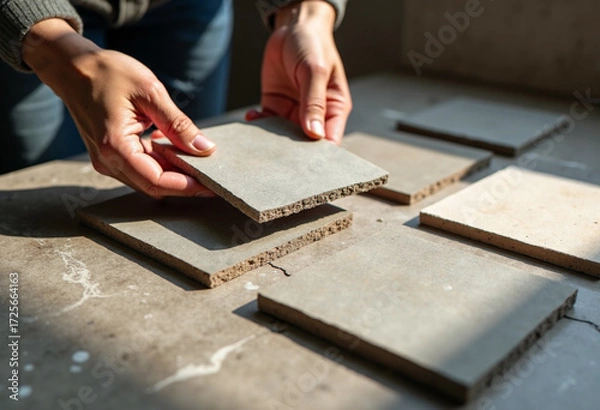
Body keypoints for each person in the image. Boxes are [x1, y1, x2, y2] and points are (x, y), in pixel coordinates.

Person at [0, 0, 351, 198]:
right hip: (34, 14)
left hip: (191, 9)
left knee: (188, 188)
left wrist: (305, 14)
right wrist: (47, 47)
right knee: (43, 198)